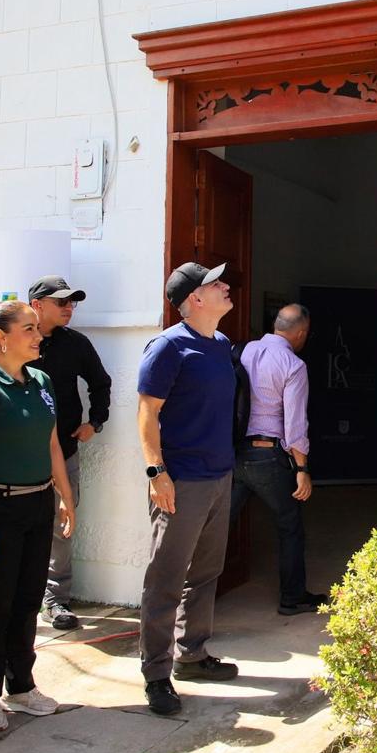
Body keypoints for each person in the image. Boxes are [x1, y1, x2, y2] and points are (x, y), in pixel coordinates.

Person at [0, 301, 75, 733]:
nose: (38, 336)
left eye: (37, 329)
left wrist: (65, 494)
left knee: (27, 600)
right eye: (28, 329)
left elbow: (52, 442)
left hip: (37, 504)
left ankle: (21, 686)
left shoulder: (40, 380)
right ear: (1, 337)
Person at [137, 262, 240, 717]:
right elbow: (146, 414)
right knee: (166, 578)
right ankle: (157, 674)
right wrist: (156, 474)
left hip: (220, 475)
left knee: (206, 573)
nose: (226, 287)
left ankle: (193, 655)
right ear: (194, 300)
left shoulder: (220, 345)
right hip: (181, 482)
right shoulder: (167, 347)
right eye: (215, 284)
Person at [230, 304, 327, 616]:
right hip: (270, 457)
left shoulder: (240, 351)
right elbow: (295, 425)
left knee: (215, 527)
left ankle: (189, 594)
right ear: (300, 333)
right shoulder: (293, 364)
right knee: (289, 526)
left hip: (234, 453)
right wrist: (302, 468)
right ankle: (292, 598)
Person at [27, 275, 112, 631]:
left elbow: (100, 382)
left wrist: (95, 421)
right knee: (18, 523)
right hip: (17, 454)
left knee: (63, 524)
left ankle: (55, 599)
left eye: (72, 303)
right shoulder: (12, 338)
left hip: (64, 450)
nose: (68, 309)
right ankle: (20, 593)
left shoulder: (76, 344)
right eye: (61, 302)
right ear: (37, 305)